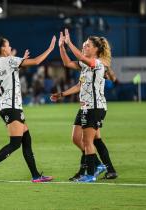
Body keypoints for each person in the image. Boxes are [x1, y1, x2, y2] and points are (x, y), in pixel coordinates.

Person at [0, 34, 56, 184]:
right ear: (3, 48)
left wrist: (20, 60)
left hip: (6, 106)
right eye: (8, 45)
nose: (10, 47)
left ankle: (35, 175)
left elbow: (9, 73)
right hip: (12, 107)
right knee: (15, 143)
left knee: (26, 140)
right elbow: (37, 61)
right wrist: (50, 48)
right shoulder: (9, 61)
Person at [51, 29, 115, 182]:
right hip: (86, 107)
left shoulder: (98, 64)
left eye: (87, 45)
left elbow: (79, 56)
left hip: (94, 107)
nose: (84, 47)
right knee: (76, 138)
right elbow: (69, 67)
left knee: (88, 141)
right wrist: (61, 47)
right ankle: (101, 166)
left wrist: (69, 43)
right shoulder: (85, 65)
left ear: (96, 49)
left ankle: (90, 173)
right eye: (84, 45)